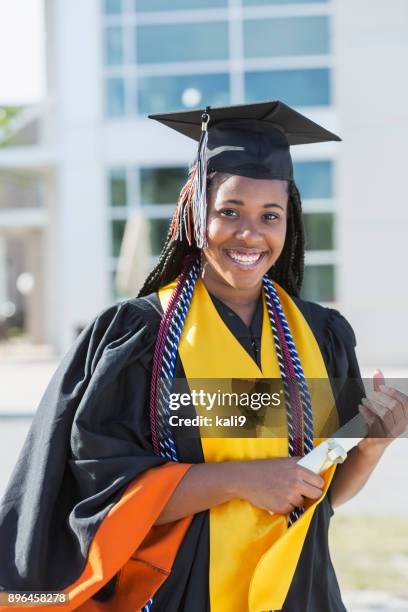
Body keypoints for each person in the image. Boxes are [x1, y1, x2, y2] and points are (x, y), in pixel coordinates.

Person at [0, 101, 407, 612]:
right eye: (230, 211)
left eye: (270, 215)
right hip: (184, 593)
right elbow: (104, 496)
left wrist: (370, 447)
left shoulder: (320, 335)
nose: (249, 233)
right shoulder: (139, 339)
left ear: (289, 221)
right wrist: (241, 478)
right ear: (196, 212)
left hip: (299, 591)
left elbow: (321, 498)